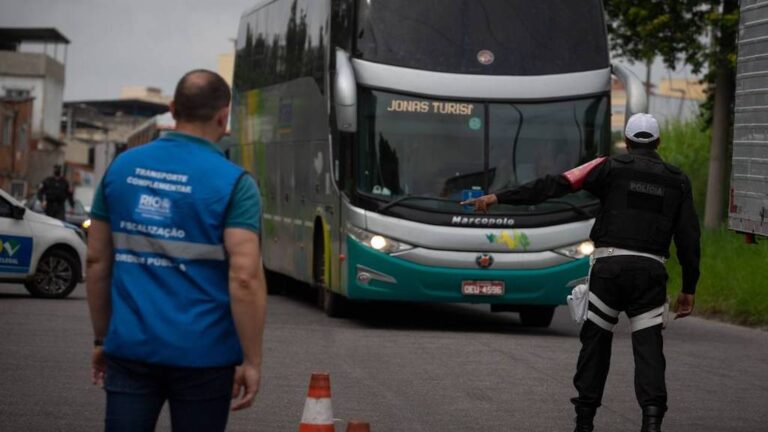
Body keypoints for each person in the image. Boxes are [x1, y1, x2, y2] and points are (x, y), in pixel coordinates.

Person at [462, 113, 700, 432]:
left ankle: (584, 422)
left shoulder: (607, 167)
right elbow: (689, 237)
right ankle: (652, 420)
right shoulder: (678, 179)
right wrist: (689, 287)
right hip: (650, 272)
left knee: (596, 343)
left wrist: (498, 197)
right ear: (658, 142)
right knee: (649, 347)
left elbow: (555, 184)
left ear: (626, 143)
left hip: (609, 268)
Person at [86, 69, 267, 432]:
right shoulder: (235, 184)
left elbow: (96, 260)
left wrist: (104, 338)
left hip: (131, 348)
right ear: (223, 116)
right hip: (206, 356)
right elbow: (244, 277)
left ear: (172, 109)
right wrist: (251, 360)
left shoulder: (121, 168)